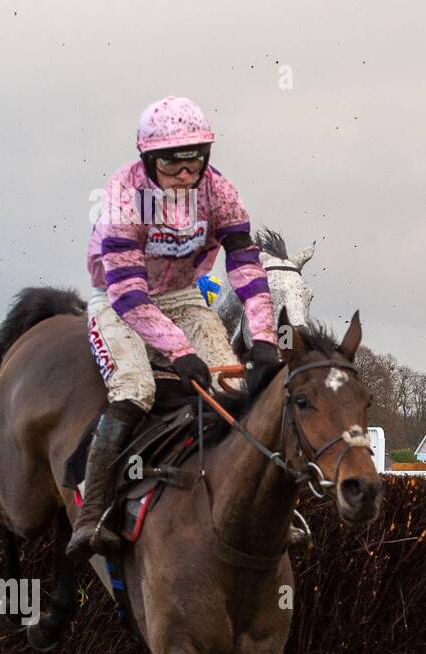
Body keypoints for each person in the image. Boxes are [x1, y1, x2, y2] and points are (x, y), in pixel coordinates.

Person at [69, 96, 284, 560]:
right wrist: (178, 350)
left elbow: (245, 266)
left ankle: (258, 509)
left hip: (182, 295)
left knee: (234, 384)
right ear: (148, 159)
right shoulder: (124, 195)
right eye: (172, 163)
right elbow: (129, 294)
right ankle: (93, 513)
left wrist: (265, 338)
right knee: (136, 388)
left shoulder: (220, 191)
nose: (185, 174)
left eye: (195, 160)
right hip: (119, 298)